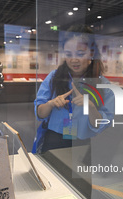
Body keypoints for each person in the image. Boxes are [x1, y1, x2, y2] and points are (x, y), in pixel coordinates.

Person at [34, 24, 114, 153]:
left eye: (80, 53)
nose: (74, 59)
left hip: (82, 142)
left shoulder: (103, 85)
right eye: (68, 54)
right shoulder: (54, 77)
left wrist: (91, 107)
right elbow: (39, 113)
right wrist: (50, 104)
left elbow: (101, 124)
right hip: (53, 139)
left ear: (92, 53)